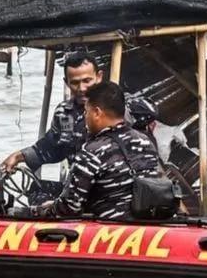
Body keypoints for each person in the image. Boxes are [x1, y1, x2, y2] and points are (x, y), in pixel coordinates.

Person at [1, 51, 157, 175]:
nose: (82, 89)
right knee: (37, 193)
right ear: (66, 82)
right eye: (75, 83)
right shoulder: (64, 113)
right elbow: (51, 147)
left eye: (87, 81)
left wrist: (114, 106)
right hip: (82, 183)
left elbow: (151, 110)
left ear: (99, 77)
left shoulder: (118, 103)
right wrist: (18, 156)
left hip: (121, 181)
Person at [40, 81, 163, 219]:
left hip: (111, 227)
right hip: (146, 224)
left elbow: (70, 208)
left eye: (86, 111)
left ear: (97, 113)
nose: (85, 116)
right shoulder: (146, 142)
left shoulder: (92, 151)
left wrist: (43, 210)